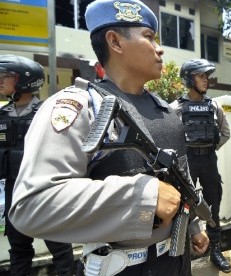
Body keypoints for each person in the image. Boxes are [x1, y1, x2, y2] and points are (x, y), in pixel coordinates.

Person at [9, 1, 209, 275]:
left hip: (177, 261)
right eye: (149, 37)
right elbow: (31, 205)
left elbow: (180, 182)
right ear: (114, 41)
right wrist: (143, 198)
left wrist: (194, 227)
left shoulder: (167, 111)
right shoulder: (80, 107)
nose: (159, 48)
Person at [0, 55, 75, 276]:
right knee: (19, 248)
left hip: (43, 190)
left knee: (59, 247)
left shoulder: (48, 113)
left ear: (25, 80)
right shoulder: (1, 115)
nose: (0, 80)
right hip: (14, 190)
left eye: (6, 76)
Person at [169, 58, 231, 273]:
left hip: (209, 162)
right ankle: (183, 255)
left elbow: (225, 133)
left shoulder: (214, 106)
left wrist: (210, 149)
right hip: (187, 162)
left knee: (213, 206)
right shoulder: (175, 108)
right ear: (189, 78)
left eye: (207, 76)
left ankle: (215, 250)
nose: (206, 80)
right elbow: (168, 138)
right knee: (183, 206)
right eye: (201, 76)